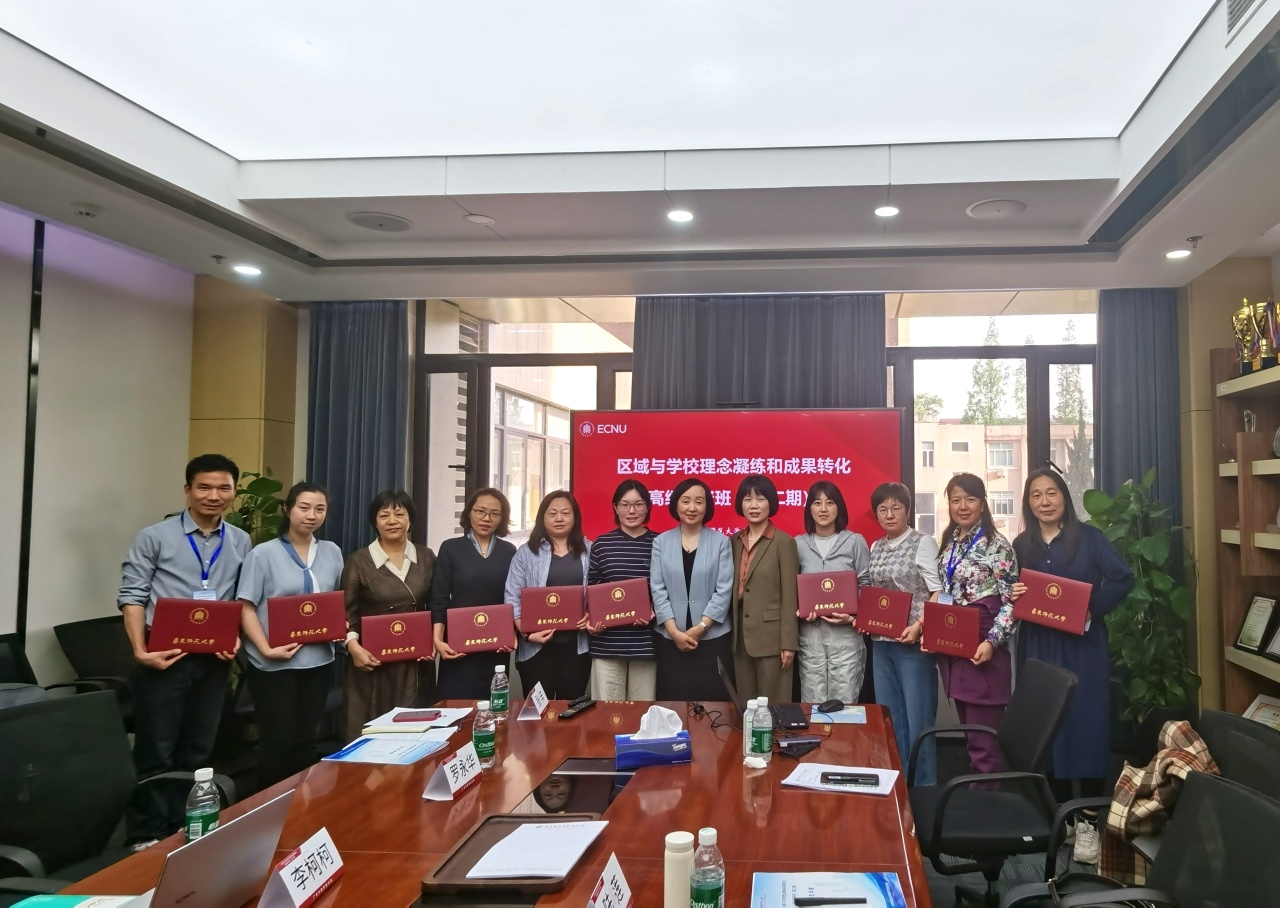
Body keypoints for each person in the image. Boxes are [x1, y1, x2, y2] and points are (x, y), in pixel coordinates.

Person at [117, 454, 251, 848]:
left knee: (199, 749)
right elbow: (133, 595)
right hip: (164, 657)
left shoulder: (240, 540)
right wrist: (140, 650)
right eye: (204, 487)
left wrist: (237, 638)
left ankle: (184, 828)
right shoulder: (154, 537)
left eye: (223, 488)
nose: (214, 495)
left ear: (233, 492)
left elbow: (240, 600)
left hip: (214, 660)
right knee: (156, 750)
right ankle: (146, 834)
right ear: (188, 490)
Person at [1011, 468, 1134, 863]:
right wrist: (1013, 591)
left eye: (1052, 493)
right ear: (1028, 503)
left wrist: (1090, 609)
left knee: (1087, 728)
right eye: (1036, 495)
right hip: (1039, 645)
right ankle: (1064, 817)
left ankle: (1088, 824)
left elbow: (1122, 579)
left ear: (1065, 496)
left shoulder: (1091, 539)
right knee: (1049, 729)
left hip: (1082, 646)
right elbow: (1009, 588)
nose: (1044, 501)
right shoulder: (1021, 544)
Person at [238, 482, 344, 789]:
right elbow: (245, 606)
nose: (311, 515)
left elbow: (335, 602)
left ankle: (302, 803)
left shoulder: (332, 552)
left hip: (319, 661)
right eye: (304, 507)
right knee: (276, 741)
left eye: (320, 509)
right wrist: (265, 648)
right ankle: (269, 807)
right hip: (274, 663)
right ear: (287, 509)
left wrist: (340, 626)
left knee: (307, 739)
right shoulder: (263, 554)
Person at [932, 472, 1019, 777]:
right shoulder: (949, 543)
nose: (962, 506)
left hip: (983, 645)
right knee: (970, 734)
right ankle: (977, 793)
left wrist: (992, 641)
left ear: (983, 503)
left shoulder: (998, 545)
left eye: (970, 499)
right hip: (955, 643)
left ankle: (987, 796)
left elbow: (1012, 602)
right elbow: (945, 593)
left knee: (984, 740)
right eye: (956, 500)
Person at [341, 489, 438, 742]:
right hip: (373, 661)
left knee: (417, 734)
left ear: (410, 520)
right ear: (375, 522)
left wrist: (434, 639)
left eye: (399, 514)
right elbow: (346, 612)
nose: (392, 521)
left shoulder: (426, 557)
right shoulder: (359, 561)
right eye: (384, 515)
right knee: (374, 735)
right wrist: (354, 648)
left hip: (417, 661)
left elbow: (437, 605)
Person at [865, 482, 943, 785]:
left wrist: (920, 625)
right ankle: (899, 788)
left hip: (914, 645)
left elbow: (939, 592)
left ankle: (925, 789)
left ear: (907, 511)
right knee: (891, 718)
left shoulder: (922, 542)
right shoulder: (875, 546)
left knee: (919, 720)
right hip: (881, 645)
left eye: (895, 508)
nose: (889, 514)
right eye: (882, 509)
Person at [650, 478, 734, 701]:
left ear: (707, 506)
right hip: (671, 640)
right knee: (673, 703)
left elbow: (723, 590)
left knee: (714, 707)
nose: (692, 507)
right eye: (685, 501)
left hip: (712, 639)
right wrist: (674, 632)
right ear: (676, 505)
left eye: (699, 501)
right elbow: (658, 589)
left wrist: (701, 628)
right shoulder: (660, 542)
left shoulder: (721, 542)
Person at [505, 490, 591, 700]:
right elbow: (512, 597)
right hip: (536, 648)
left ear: (575, 517)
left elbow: (598, 591)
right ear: (542, 517)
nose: (559, 518)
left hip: (577, 647)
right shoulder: (526, 553)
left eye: (565, 513)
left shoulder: (589, 550)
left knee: (571, 710)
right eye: (552, 513)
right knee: (536, 713)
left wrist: (591, 614)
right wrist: (526, 633)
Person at [795, 481, 871, 705]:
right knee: (812, 703)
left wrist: (853, 616)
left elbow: (866, 584)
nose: (823, 509)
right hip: (811, 635)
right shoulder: (798, 544)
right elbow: (791, 587)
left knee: (844, 703)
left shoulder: (854, 541)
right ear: (809, 509)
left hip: (845, 636)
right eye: (817, 503)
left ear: (839, 507)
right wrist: (799, 609)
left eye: (830, 503)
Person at [586, 480, 659, 700]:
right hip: (607, 644)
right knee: (607, 712)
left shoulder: (660, 543)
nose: (632, 511)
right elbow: (592, 588)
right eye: (625, 504)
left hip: (646, 644)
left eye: (638, 504)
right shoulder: (601, 544)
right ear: (615, 508)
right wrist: (593, 619)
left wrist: (654, 610)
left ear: (647, 507)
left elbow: (666, 589)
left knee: (643, 711)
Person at [731, 474, 800, 704]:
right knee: (746, 708)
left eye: (760, 499)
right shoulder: (734, 542)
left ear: (770, 503)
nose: (753, 505)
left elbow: (790, 596)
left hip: (773, 640)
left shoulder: (784, 542)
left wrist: (788, 643)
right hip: (740, 639)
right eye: (747, 499)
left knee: (774, 707)